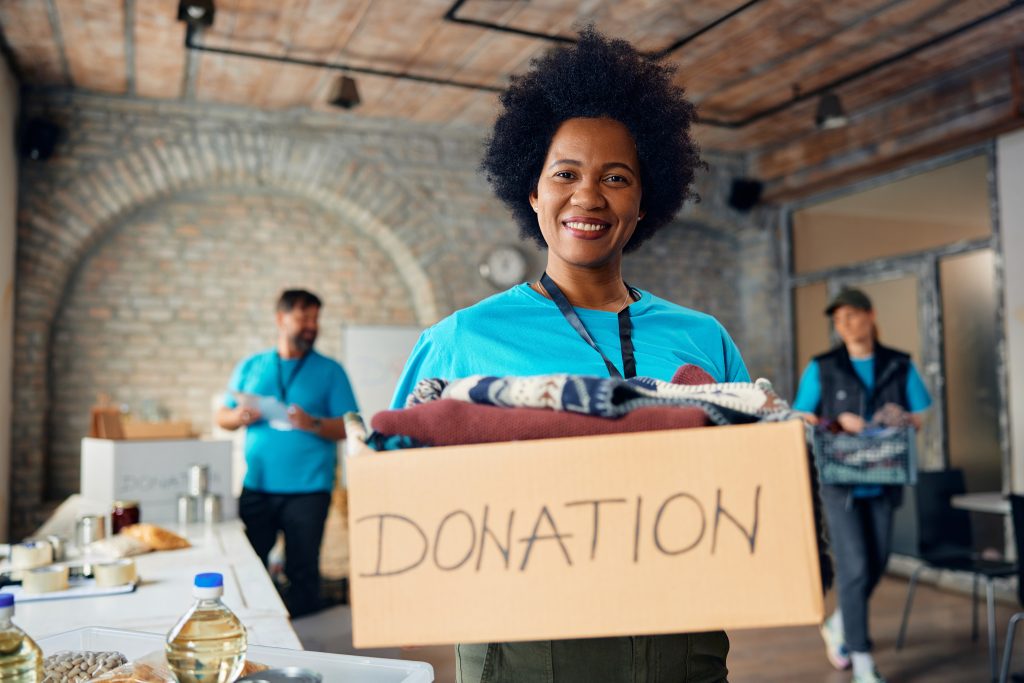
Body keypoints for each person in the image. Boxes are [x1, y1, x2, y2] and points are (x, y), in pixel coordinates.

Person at [390, 28, 748, 683]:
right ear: (533, 191)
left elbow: (746, 488)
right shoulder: (462, 339)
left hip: (682, 642)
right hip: (530, 648)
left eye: (617, 178)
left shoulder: (703, 338)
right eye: (566, 174)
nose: (589, 196)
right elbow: (405, 499)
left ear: (644, 202)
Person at [792, 287, 932, 683]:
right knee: (854, 569)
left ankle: (840, 623)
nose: (845, 325)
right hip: (841, 483)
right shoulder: (823, 366)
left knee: (877, 563)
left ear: (870, 316)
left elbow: (920, 415)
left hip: (885, 478)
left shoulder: (899, 364)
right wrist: (837, 422)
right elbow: (801, 415)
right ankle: (863, 662)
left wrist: (900, 417)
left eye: (852, 315)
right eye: (838, 320)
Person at [216, 289, 357, 617]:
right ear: (281, 319)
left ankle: (302, 648)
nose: (311, 325)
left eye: (315, 318)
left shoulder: (330, 371)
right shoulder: (251, 366)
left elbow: (352, 425)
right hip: (257, 488)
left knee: (303, 573)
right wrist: (239, 416)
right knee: (249, 570)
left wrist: (314, 423)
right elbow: (222, 417)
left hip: (308, 491)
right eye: (303, 317)